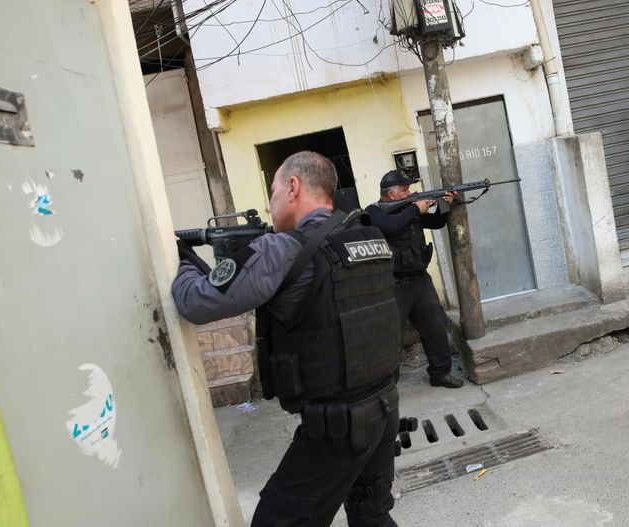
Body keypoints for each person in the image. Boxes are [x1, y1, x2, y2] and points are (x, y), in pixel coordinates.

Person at [172, 151, 402, 527]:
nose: (269, 201)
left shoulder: (282, 250)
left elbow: (194, 301)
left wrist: (180, 258)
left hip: (337, 429)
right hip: (384, 410)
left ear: (293, 187)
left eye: (274, 189)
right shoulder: (367, 236)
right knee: (371, 517)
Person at [365, 169, 464, 389]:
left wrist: (444, 204)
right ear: (390, 195)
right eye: (405, 190)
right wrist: (414, 208)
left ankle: (440, 373)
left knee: (435, 326)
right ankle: (386, 386)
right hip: (393, 285)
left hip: (420, 281)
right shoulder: (373, 212)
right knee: (391, 336)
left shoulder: (409, 211)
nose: (409, 192)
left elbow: (437, 222)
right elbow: (389, 226)